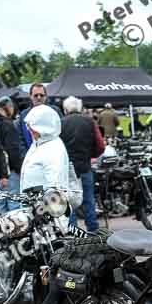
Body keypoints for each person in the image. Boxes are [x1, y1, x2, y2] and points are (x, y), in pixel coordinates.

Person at [61, 96, 103, 232]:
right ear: (79, 108)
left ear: (66, 109)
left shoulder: (61, 123)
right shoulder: (89, 122)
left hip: (68, 168)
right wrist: (91, 155)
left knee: (69, 201)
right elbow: (100, 145)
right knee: (88, 200)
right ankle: (93, 229)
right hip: (85, 166)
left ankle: (73, 231)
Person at [19, 105, 70, 193]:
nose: (30, 131)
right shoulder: (40, 143)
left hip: (45, 204)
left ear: (43, 127)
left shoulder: (53, 149)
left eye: (32, 128)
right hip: (36, 202)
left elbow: (55, 184)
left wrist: (48, 202)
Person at [0, 96, 24, 212]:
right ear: (9, 107)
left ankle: (1, 229)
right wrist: (20, 169)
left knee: (0, 205)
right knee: (14, 205)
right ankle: (14, 230)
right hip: (9, 172)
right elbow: (13, 151)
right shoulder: (8, 124)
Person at [19, 83, 62, 152]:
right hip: (31, 153)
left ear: (46, 96)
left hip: (52, 152)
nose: (39, 97)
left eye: (41, 95)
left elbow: (61, 132)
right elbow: (21, 138)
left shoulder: (54, 112)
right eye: (36, 95)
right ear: (30, 96)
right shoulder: (24, 115)